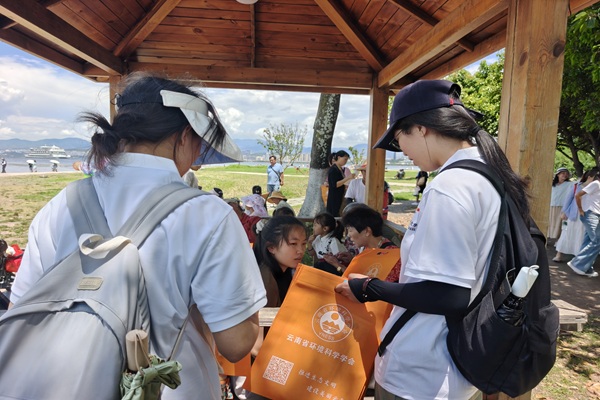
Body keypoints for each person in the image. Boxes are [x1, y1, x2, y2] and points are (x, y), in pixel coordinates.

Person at [9, 74, 267, 400]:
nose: (197, 158)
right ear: (184, 136)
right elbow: (237, 343)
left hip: (64, 387)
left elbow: (22, 307)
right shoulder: (208, 214)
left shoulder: (62, 204)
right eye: (199, 143)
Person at [334, 79, 530, 400]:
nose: (402, 152)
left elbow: (448, 296)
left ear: (421, 129)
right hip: (457, 366)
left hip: (422, 369)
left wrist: (368, 288)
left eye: (399, 139)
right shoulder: (488, 175)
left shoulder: (449, 187)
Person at [325, 204, 400, 283]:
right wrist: (353, 260)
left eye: (350, 230)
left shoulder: (391, 255)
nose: (348, 235)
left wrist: (338, 265)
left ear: (367, 231)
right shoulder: (367, 248)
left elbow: (370, 285)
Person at [554, 170, 593, 262]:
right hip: (573, 214)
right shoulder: (576, 186)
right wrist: (564, 212)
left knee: (581, 236)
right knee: (566, 233)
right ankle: (559, 254)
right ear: (589, 177)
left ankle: (577, 257)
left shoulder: (595, 188)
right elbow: (568, 199)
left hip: (586, 216)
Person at [567, 168, 600, 278]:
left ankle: (586, 267)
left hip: (595, 215)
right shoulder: (596, 183)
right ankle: (577, 263)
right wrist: (580, 209)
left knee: (589, 241)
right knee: (597, 241)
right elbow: (578, 195)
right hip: (590, 214)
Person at [326, 150, 355, 217]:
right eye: (345, 159)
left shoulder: (340, 169)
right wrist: (348, 178)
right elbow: (335, 184)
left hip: (340, 196)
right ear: (339, 157)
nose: (345, 161)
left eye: (346, 160)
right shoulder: (333, 169)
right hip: (334, 197)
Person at [548, 167, 573, 242]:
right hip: (551, 205)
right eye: (563, 173)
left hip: (562, 206)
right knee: (550, 222)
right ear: (558, 174)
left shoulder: (569, 184)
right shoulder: (552, 184)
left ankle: (558, 241)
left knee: (560, 224)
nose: (565, 175)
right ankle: (548, 238)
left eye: (566, 174)